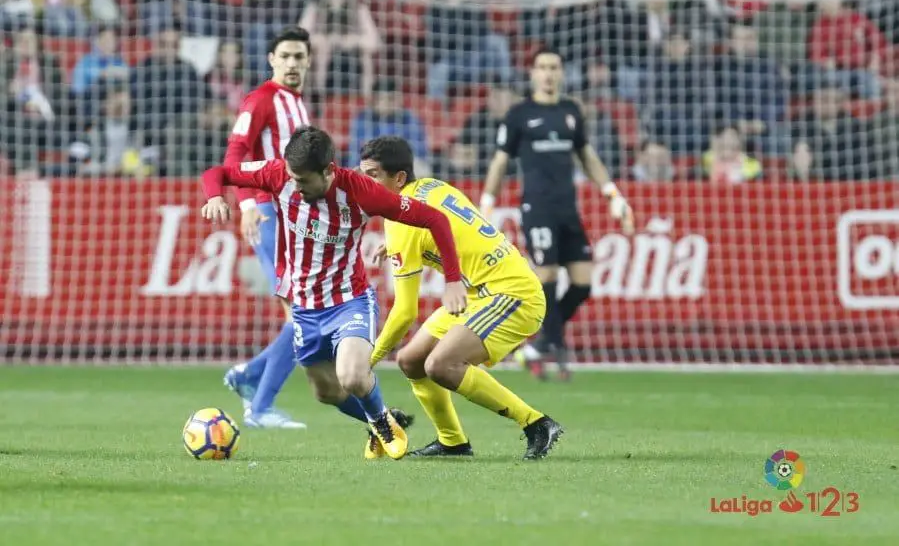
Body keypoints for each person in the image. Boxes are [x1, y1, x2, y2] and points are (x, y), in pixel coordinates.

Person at [200, 126, 467, 460]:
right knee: (325, 392)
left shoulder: (362, 192)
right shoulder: (278, 174)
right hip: (304, 306)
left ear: (328, 171)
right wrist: (213, 196)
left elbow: (435, 220)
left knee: (352, 376)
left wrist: (453, 280)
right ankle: (379, 418)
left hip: (348, 301)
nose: (294, 185)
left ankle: (379, 420)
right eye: (292, 177)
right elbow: (218, 172)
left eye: (303, 180)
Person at [363, 136, 562, 460]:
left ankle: (536, 424)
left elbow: (405, 312)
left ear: (399, 178)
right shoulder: (431, 187)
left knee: (441, 364)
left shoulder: (399, 222)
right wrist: (403, 246)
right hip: (481, 291)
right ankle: (453, 442)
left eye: (372, 175)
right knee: (410, 360)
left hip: (511, 292)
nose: (365, 183)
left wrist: (366, 362)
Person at [479, 48, 635, 381]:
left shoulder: (571, 112)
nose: (548, 74)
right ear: (533, 73)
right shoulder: (519, 114)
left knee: (582, 284)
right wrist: (487, 204)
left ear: (561, 73)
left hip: (568, 208)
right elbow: (500, 161)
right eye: (542, 68)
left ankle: (539, 345)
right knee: (547, 277)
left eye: (554, 68)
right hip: (537, 208)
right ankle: (555, 348)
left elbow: (587, 155)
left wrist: (613, 195)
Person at [218, 27, 313, 429]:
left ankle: (249, 376)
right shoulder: (260, 100)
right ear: (272, 60)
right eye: (285, 56)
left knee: (306, 313)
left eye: (299, 57)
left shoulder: (296, 104)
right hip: (270, 215)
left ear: (308, 61)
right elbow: (235, 152)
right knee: (304, 313)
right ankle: (259, 406)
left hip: (296, 219)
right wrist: (246, 204)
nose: (292, 63)